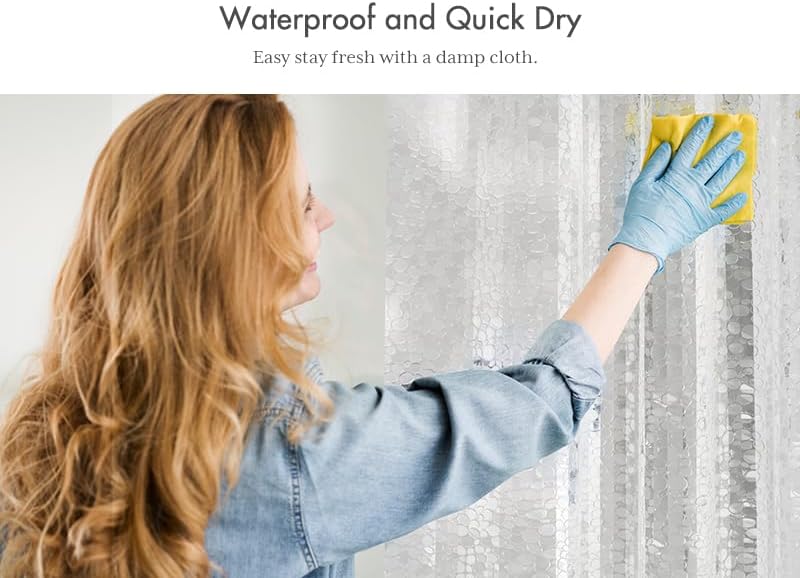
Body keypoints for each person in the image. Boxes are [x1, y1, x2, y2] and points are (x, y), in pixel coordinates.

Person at [0, 96, 747, 578]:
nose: (322, 218)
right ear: (238, 245)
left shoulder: (44, 428)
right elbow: (534, 408)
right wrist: (645, 241)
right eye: (302, 201)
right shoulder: (291, 454)